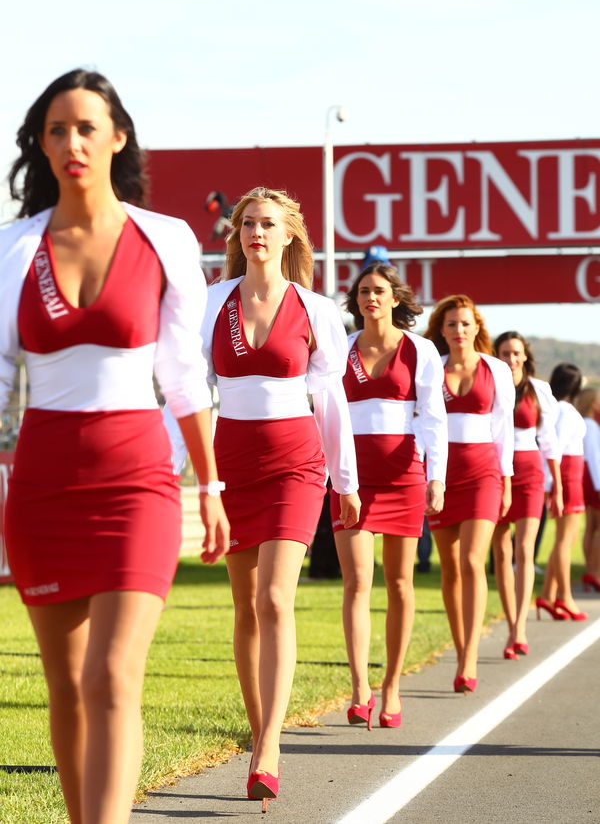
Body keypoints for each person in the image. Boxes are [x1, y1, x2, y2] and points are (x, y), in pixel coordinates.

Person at [0, 69, 229, 824]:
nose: (71, 142)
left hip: (138, 481)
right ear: (41, 142)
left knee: (111, 679)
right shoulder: (14, 248)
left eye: (86, 127)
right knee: (64, 687)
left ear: (118, 136)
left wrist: (215, 489)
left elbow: (185, 376)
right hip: (40, 489)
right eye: (57, 129)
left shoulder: (166, 238)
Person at [185, 186, 360, 809]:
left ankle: (268, 749)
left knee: (273, 597)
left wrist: (346, 480)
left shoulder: (317, 309)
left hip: (295, 463)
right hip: (232, 461)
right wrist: (188, 470)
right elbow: (188, 390)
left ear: (290, 236)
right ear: (235, 234)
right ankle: (262, 729)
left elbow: (332, 400)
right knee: (243, 606)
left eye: (268, 223)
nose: (256, 231)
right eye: (247, 223)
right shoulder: (210, 304)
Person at [330, 263, 446, 728]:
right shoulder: (341, 348)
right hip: (350, 478)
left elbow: (434, 418)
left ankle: (392, 687)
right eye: (362, 292)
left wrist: (436, 477)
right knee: (357, 582)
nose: (369, 298)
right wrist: (341, 479)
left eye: (378, 291)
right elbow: (328, 414)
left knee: (399, 583)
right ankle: (360, 688)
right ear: (355, 301)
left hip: (404, 477)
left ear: (395, 298)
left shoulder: (419, 351)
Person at [423, 295, 514, 693]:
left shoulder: (496, 369)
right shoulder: (431, 368)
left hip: (483, 473)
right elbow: (422, 423)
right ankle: (460, 648)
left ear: (477, 328)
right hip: (442, 475)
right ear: (440, 331)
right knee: (450, 568)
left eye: (465, 323)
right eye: (451, 324)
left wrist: (506, 478)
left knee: (473, 560)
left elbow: (503, 429)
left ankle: (470, 657)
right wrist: (429, 476)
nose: (459, 330)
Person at [492, 332, 562, 655]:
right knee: (501, 553)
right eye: (505, 352)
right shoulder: (489, 383)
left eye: (516, 353)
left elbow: (550, 441)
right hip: (495, 471)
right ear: (497, 355)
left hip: (530, 472)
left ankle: (520, 627)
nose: (511, 358)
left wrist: (557, 487)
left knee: (524, 549)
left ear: (525, 356)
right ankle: (510, 625)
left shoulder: (540, 390)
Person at [537, 364, 588, 620]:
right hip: (567, 473)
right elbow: (555, 447)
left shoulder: (556, 410)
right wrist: (552, 484)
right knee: (565, 539)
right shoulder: (565, 411)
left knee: (563, 539)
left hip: (569, 472)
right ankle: (564, 596)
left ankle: (548, 594)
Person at [575, 387, 600, 592]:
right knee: (598, 528)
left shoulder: (582, 423)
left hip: (585, 477)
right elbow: (594, 457)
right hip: (594, 479)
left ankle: (589, 570)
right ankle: (594, 572)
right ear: (592, 402)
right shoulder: (591, 425)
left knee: (590, 527)